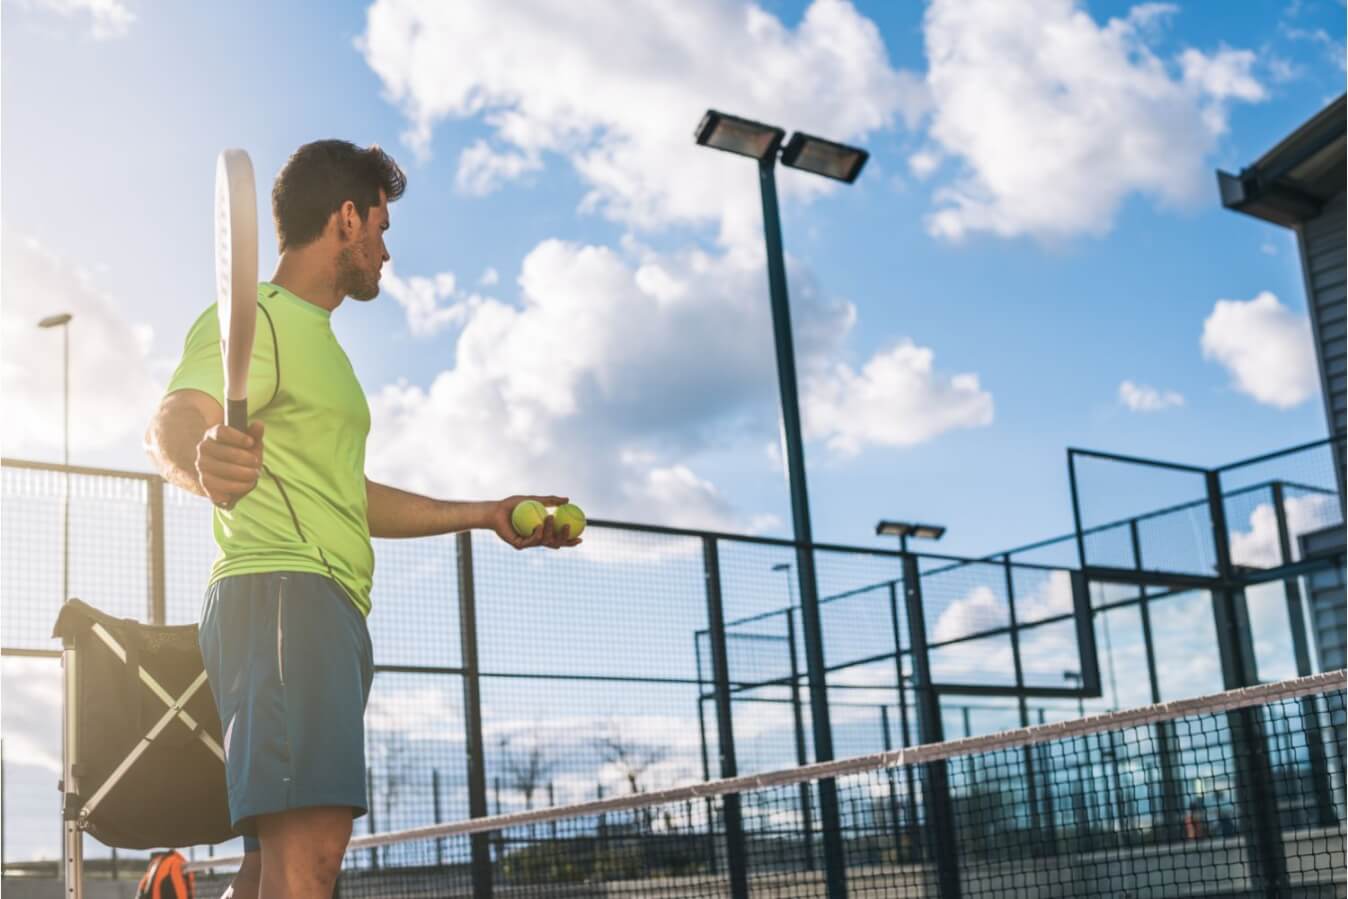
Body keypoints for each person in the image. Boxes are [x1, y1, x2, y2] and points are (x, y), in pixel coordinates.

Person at [144, 140, 580, 899]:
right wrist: (199, 458)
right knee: (309, 860)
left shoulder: (325, 350)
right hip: (285, 593)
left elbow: (349, 492)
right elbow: (179, 419)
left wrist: (485, 512)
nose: (385, 250)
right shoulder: (261, 319)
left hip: (321, 604)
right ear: (347, 218)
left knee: (272, 867)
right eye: (381, 227)